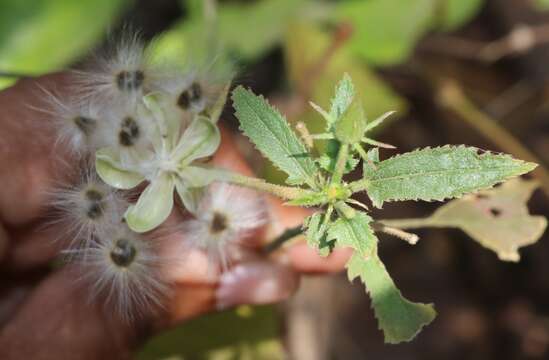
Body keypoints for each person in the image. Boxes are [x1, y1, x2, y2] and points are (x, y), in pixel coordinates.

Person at [0, 74, 351, 359]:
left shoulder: (193, 193)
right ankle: (267, 276)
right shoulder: (137, 200)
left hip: (216, 231)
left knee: (262, 250)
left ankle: (267, 275)